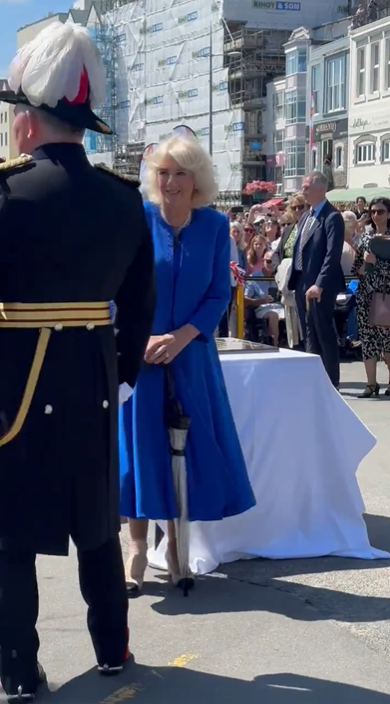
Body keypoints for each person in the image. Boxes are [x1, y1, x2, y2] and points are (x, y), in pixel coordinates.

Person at [0, 22, 155, 701]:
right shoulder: (124, 201)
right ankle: (113, 649)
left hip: (14, 386)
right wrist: (120, 375)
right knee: (97, 523)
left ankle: (16, 667)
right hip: (92, 378)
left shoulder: (5, 195)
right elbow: (140, 307)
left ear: (30, 122)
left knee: (9, 535)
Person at [119, 135, 255, 596]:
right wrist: (140, 336)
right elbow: (118, 286)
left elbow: (220, 293)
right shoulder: (136, 221)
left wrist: (181, 336)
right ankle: (136, 546)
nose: (171, 182)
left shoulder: (215, 226)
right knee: (141, 449)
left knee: (186, 451)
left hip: (192, 355)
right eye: (163, 172)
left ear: (197, 179)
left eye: (180, 172)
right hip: (141, 355)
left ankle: (177, 545)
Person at [288, 171, 345, 388]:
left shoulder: (332, 217)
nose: (302, 191)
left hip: (321, 285)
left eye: (306, 187)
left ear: (320, 189)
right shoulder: (306, 217)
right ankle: (314, 379)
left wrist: (319, 284)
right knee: (308, 332)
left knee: (323, 331)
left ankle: (330, 382)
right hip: (302, 281)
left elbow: (332, 254)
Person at [351, 197, 390, 397]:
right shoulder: (366, 237)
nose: (376, 215)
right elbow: (356, 267)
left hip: (386, 295)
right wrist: (363, 268)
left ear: (389, 214)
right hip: (366, 295)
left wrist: (378, 264)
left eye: (380, 211)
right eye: (373, 211)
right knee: (368, 340)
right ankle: (371, 384)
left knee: (388, 341)